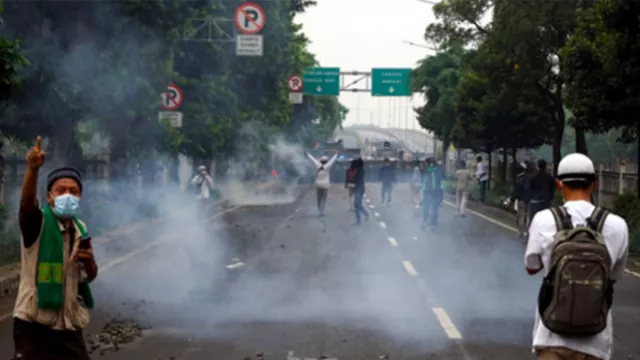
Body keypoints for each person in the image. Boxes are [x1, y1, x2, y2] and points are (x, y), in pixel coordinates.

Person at [525, 153, 628, 360]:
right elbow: (613, 276)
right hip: (596, 340)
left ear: (559, 185)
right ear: (595, 184)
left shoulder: (544, 219)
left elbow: (531, 267)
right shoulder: (617, 225)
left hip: (551, 335)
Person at [14, 137, 98, 360]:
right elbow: (26, 204)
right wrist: (33, 170)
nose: (67, 195)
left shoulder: (81, 229)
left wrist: (88, 260)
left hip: (68, 324)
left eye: (73, 191)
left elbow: (90, 275)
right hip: (34, 324)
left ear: (80, 197)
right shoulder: (38, 223)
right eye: (60, 190)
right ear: (49, 197)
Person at [305, 151, 339, 216]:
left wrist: (307, 154)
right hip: (325, 185)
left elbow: (312, 159)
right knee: (324, 198)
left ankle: (319, 210)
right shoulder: (328, 166)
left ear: (321, 161)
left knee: (319, 198)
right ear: (326, 161)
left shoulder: (317, 165)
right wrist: (336, 154)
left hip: (318, 184)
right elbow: (332, 160)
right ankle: (322, 211)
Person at [504, 162, 531, 238]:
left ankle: (521, 233)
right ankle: (528, 233)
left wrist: (510, 200)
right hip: (529, 200)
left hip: (521, 200)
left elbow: (517, 192)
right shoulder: (528, 177)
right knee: (527, 216)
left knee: (520, 217)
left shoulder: (519, 179)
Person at [527, 159, 555, 224]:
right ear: (545, 166)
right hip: (545, 201)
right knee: (545, 220)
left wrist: (531, 198)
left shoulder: (533, 176)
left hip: (535, 201)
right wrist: (550, 197)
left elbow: (529, 188)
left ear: (538, 166)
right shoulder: (549, 176)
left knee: (534, 220)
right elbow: (553, 187)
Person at [421, 157, 444, 229]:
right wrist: (441, 193)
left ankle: (425, 221)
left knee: (426, 207)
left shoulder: (426, 169)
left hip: (427, 191)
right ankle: (433, 224)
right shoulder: (439, 169)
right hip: (437, 191)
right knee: (435, 208)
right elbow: (442, 182)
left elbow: (423, 179)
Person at [350, 157, 369, 225]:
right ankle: (365, 215)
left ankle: (359, 220)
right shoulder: (360, 170)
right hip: (359, 189)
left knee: (357, 205)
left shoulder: (359, 171)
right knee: (358, 205)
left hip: (359, 189)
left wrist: (357, 191)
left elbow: (358, 181)